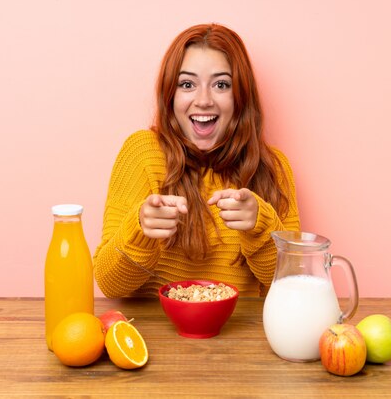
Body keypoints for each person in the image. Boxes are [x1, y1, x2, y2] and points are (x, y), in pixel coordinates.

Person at [93, 23, 300, 297]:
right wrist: (140, 230)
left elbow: (295, 288)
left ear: (241, 96)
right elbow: (109, 286)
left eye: (221, 85)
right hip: (154, 335)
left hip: (238, 336)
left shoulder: (272, 168)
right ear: (170, 94)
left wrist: (261, 227)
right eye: (187, 84)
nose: (203, 100)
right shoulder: (142, 153)